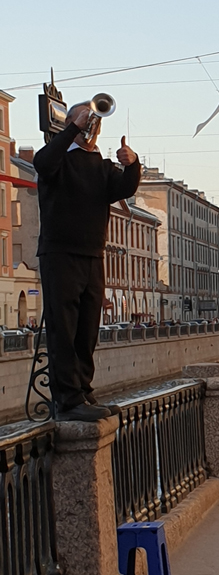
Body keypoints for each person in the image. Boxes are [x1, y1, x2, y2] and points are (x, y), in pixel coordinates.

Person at [34, 103, 140, 422]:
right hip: (60, 254)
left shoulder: (101, 166)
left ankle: (83, 389)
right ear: (72, 125)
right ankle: (67, 398)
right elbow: (42, 162)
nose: (91, 127)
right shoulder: (57, 158)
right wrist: (72, 129)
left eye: (93, 122)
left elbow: (124, 187)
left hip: (93, 256)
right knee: (63, 327)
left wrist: (133, 165)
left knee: (87, 327)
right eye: (85, 121)